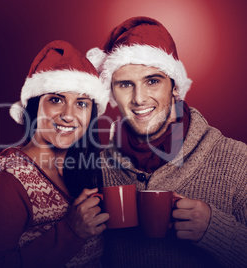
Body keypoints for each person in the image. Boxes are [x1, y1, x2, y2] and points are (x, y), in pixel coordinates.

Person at [86, 16, 247, 267]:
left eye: (152, 81)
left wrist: (216, 231)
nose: (139, 98)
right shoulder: (96, 164)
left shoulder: (237, 160)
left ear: (174, 86)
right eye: (126, 84)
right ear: (112, 93)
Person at [0, 40, 111, 267]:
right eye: (56, 100)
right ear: (35, 107)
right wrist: (70, 231)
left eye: (81, 103)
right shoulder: (9, 182)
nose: (68, 115)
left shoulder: (86, 168)